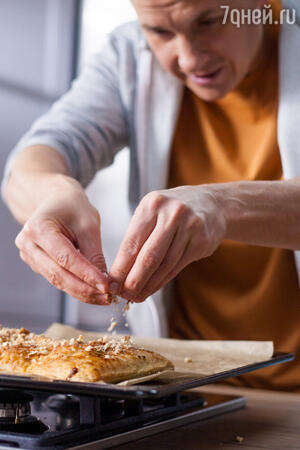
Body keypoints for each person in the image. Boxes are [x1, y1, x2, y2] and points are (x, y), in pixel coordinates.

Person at [2, 0, 300, 391]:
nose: (189, 59)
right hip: (189, 384)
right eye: (160, 31)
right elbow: (36, 158)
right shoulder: (127, 53)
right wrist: (52, 193)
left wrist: (222, 205)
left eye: (209, 21)